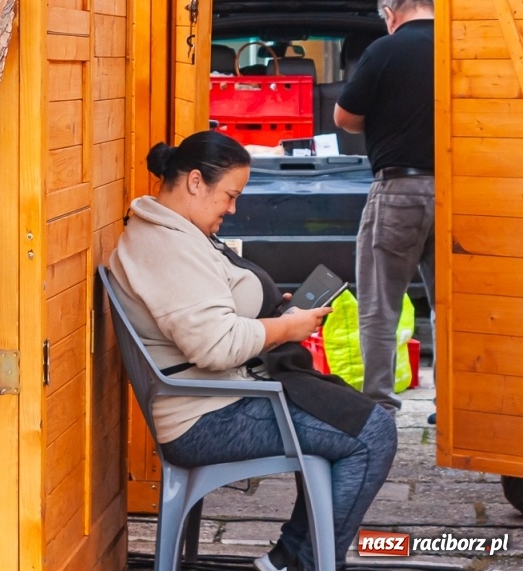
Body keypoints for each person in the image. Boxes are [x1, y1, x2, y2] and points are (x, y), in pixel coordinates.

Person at [110, 131, 395, 571]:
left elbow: (210, 313)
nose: (232, 208)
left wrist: (269, 314)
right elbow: (216, 344)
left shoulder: (171, 231)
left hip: (223, 395)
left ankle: (291, 557)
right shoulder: (164, 248)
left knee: (352, 416)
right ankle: (307, 561)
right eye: (229, 195)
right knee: (372, 434)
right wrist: (283, 328)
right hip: (206, 418)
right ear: (194, 182)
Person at [333, 0, 435, 409]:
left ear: (391, 15)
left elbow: (344, 118)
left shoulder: (384, 50)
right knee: (453, 306)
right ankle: (451, 406)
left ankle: (379, 407)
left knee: (380, 305)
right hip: (461, 191)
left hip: (398, 189)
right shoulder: (461, 44)